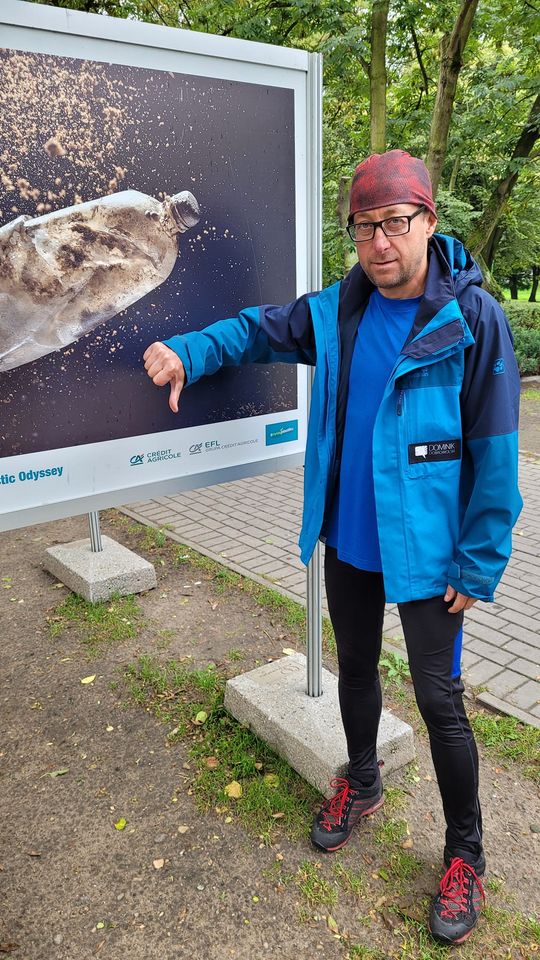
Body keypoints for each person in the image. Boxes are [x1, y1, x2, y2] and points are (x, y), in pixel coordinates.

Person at [143, 149, 522, 946]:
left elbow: (496, 451)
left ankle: (466, 855)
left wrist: (479, 559)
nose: (379, 242)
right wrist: (188, 350)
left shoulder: (473, 320)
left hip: (432, 558)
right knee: (355, 670)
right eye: (364, 227)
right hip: (349, 540)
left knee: (440, 702)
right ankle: (364, 781)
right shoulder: (338, 311)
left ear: (428, 221)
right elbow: (255, 331)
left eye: (395, 223)